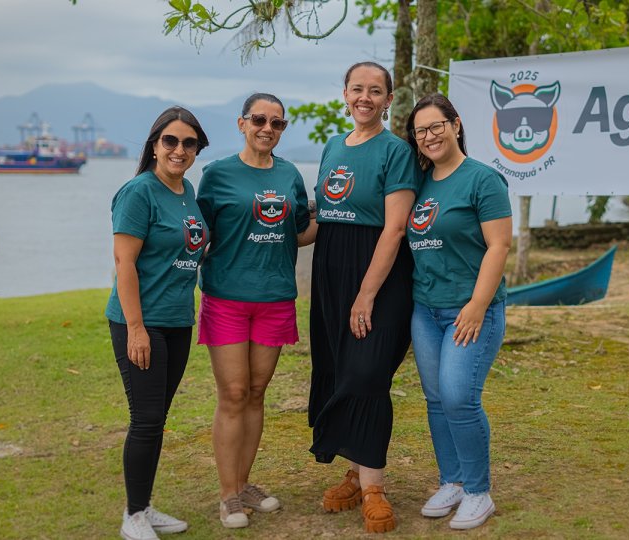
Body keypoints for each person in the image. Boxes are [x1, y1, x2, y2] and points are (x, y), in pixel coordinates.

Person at [308, 62, 422, 534]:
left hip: (379, 275)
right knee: (339, 369)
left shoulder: (397, 151)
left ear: (388, 100)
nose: (365, 98)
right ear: (345, 94)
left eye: (376, 91)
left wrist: (366, 295)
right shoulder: (333, 147)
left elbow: (395, 229)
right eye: (358, 89)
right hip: (330, 273)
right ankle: (355, 475)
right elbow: (324, 218)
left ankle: (374, 488)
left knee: (367, 374)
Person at [196, 93, 316, 529]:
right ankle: (227, 495)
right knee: (232, 393)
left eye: (277, 123)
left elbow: (299, 232)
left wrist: (344, 214)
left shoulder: (289, 174)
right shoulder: (217, 174)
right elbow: (198, 233)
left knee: (256, 392)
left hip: (275, 297)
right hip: (226, 298)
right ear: (242, 123)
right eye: (260, 120)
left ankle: (244, 483)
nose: (268, 128)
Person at [403, 94, 512, 530]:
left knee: (458, 397)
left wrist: (477, 305)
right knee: (435, 399)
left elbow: (499, 246)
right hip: (426, 310)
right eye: (421, 131)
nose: (429, 136)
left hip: (471, 310)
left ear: (456, 124)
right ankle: (453, 480)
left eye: (436, 126)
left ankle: (478, 492)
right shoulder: (419, 182)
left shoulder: (483, 179)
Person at [106, 106, 210, 540]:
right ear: (154, 145)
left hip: (177, 320)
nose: (179, 150)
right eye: (170, 141)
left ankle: (144, 505)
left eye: (189, 143)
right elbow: (124, 263)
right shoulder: (138, 192)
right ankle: (133, 516)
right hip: (141, 322)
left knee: (157, 417)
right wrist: (136, 328)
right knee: (146, 419)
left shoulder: (187, 191)